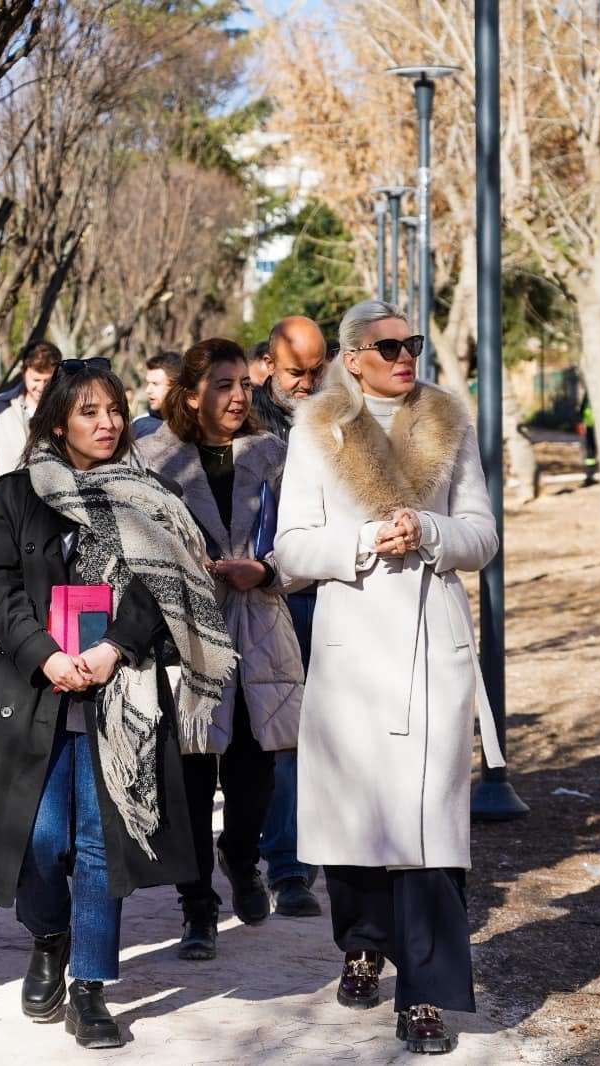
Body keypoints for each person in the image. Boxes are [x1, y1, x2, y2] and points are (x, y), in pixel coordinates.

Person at [0, 358, 234, 1050]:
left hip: (119, 694)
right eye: (88, 413)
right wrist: (43, 652)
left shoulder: (152, 494)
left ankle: (90, 988)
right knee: (40, 840)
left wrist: (115, 650)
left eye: (113, 411)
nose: (105, 425)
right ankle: (48, 937)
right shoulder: (18, 495)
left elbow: (165, 590)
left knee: (102, 844)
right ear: (58, 422)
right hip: (35, 690)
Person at [275, 300, 504, 1056]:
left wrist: (432, 531)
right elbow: (292, 550)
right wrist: (371, 538)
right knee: (357, 828)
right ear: (353, 358)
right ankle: (363, 940)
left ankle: (427, 999)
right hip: (352, 651)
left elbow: (483, 532)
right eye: (389, 346)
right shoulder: (316, 429)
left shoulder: (448, 420)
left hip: (430, 648)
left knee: (430, 830)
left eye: (412, 343)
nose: (405, 355)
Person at [136, 338, 306, 959]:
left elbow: (304, 541)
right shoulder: (150, 457)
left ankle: (240, 854)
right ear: (190, 394)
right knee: (187, 770)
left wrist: (263, 571)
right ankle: (197, 908)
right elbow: (129, 543)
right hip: (182, 631)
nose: (239, 397)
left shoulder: (272, 454)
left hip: (256, 623)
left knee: (254, 764)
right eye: (223, 386)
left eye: (243, 385)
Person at [249, 315, 328, 919]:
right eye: (297, 372)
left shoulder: (338, 419)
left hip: (325, 590)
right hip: (260, 594)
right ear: (269, 366)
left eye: (317, 370)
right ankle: (268, 860)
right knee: (272, 738)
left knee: (311, 735)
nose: (307, 382)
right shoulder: (242, 419)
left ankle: (296, 862)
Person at [0, 341, 61, 517]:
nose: (41, 387)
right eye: (35, 380)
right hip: (7, 513)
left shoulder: (67, 410)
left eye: (47, 381)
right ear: (23, 373)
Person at [132, 350, 182, 439]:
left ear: (175, 387)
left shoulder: (197, 427)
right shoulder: (140, 426)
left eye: (155, 384)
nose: (148, 390)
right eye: (148, 383)